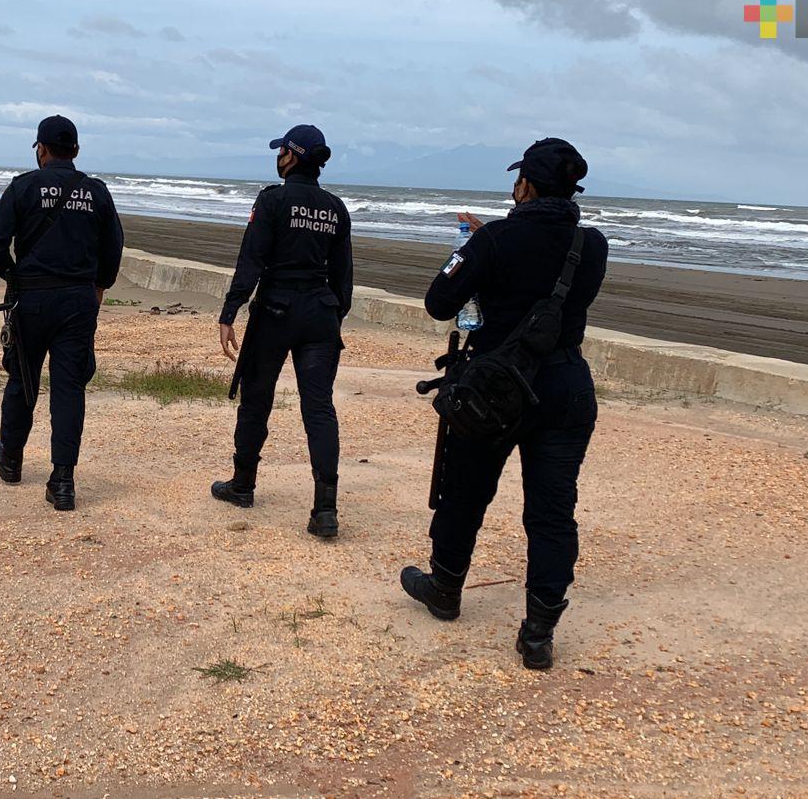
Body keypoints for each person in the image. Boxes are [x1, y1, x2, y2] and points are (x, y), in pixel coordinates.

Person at [399, 137, 609, 670]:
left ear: (526, 185)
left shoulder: (493, 239)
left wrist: (469, 249)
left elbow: (438, 302)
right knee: (553, 510)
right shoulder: (591, 246)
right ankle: (539, 631)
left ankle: (445, 587)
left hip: (492, 385)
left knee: (464, 490)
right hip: (564, 383)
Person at [210, 124, 353, 539]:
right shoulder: (336, 208)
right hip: (321, 314)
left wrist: (229, 311)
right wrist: (333, 318)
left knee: (256, 400)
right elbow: (344, 278)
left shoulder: (272, 201)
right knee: (319, 408)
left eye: (281, 152)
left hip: (275, 311)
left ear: (291, 156)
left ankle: (242, 485)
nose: (277, 157)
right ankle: (325, 509)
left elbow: (251, 259)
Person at [0, 115, 124, 511]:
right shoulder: (96, 192)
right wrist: (99, 286)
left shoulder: (24, 186)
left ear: (40, 149)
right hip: (78, 301)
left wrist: (9, 272)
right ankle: (62, 481)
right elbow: (113, 247)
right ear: (75, 151)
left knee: (22, 377)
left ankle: (10, 458)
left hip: (32, 298)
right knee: (69, 388)